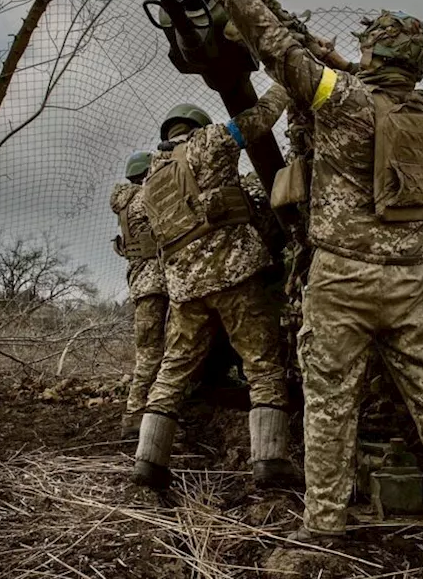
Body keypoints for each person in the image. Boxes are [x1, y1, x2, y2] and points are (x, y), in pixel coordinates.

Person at [209, 0, 423, 541]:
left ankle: (324, 523)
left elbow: (274, 48)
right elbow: (367, 84)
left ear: (374, 58)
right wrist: (348, 62)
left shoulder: (340, 101)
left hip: (342, 278)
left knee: (330, 400)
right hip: (410, 281)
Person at [131, 88, 302, 491]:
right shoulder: (208, 142)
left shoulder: (151, 176)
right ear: (196, 126)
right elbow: (257, 121)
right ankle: (270, 461)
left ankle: (148, 463)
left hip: (185, 289)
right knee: (262, 365)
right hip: (233, 275)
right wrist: (283, 82)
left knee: (172, 371)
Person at [111, 151, 170, 439]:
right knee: (153, 353)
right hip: (156, 282)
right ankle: (137, 414)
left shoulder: (124, 203)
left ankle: (139, 412)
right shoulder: (144, 199)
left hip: (141, 284)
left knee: (150, 350)